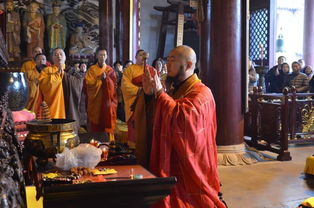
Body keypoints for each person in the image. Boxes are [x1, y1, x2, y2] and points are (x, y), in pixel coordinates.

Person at [142, 45, 226, 208]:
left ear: (188, 65)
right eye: (167, 60)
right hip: (174, 160)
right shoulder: (176, 89)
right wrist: (150, 95)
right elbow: (162, 114)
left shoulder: (202, 93)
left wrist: (160, 94)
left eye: (172, 60)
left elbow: (182, 119)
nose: (167, 64)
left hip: (191, 164)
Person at [121, 49, 155, 146]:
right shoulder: (130, 70)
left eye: (144, 55)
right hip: (134, 103)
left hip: (148, 103)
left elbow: (156, 85)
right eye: (140, 55)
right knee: (134, 126)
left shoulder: (152, 70)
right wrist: (139, 90)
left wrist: (149, 89)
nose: (142, 57)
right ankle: (133, 148)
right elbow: (125, 85)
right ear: (135, 57)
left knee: (148, 126)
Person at [84, 48, 117, 141]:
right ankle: (94, 143)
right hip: (96, 101)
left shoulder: (110, 70)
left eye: (104, 55)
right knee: (95, 124)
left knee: (107, 120)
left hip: (107, 101)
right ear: (97, 56)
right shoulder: (92, 69)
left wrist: (107, 80)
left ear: (107, 56)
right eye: (100, 55)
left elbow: (114, 86)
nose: (102, 57)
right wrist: (100, 80)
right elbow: (88, 84)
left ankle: (108, 143)